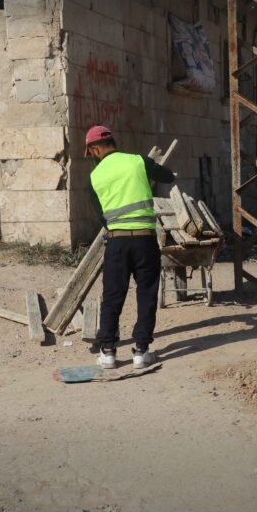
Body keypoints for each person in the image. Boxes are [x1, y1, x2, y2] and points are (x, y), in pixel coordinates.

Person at [85, 125, 175, 369]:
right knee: (146, 293)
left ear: (94, 149)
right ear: (113, 143)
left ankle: (108, 352)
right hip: (145, 240)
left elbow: (102, 217)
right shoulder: (138, 161)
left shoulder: (94, 177)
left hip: (117, 241)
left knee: (113, 296)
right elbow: (169, 177)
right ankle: (141, 351)